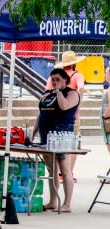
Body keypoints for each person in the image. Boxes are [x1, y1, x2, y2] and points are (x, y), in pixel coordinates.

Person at [32, 67, 80, 213]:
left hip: (62, 135)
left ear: (65, 79)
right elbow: (41, 114)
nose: (55, 82)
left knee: (64, 170)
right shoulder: (47, 94)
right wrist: (33, 132)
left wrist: (59, 91)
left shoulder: (72, 93)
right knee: (51, 170)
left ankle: (67, 204)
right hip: (46, 134)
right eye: (53, 80)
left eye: (58, 79)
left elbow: (64, 106)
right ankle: (53, 201)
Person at [47, 50, 85, 181]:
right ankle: (68, 173)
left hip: (55, 117)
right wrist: (77, 105)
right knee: (72, 145)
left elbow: (47, 92)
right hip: (72, 116)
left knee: (56, 144)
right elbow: (81, 88)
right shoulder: (77, 75)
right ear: (74, 64)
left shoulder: (54, 77)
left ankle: (57, 173)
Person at [101, 66, 110, 153]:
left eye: (106, 73)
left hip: (108, 119)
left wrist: (105, 116)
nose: (105, 75)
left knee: (108, 140)